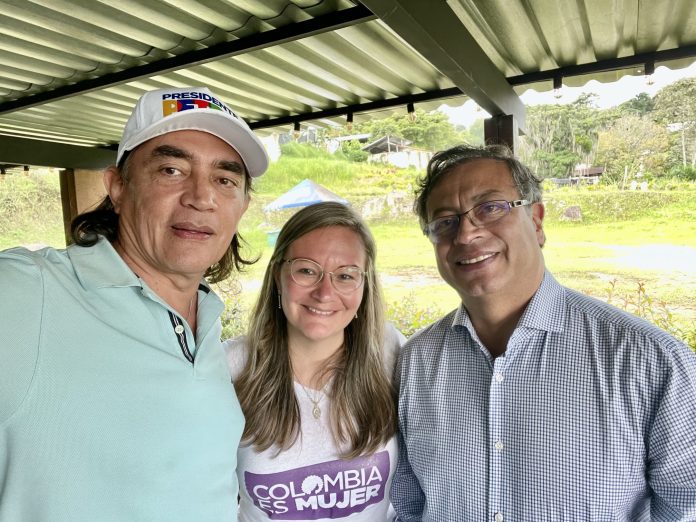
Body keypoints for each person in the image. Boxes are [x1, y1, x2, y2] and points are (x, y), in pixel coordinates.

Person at [0, 86, 268, 520]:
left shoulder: (208, 320)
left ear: (242, 206)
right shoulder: (32, 292)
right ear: (118, 188)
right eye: (171, 170)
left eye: (225, 179)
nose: (202, 197)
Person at [390, 144, 696, 521]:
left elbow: (687, 507)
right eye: (446, 222)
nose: (467, 234)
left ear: (536, 221)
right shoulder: (414, 363)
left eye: (490, 208)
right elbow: (408, 505)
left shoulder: (650, 360)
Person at [225, 201, 405, 521]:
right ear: (278, 276)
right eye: (306, 270)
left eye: (346, 276)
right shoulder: (230, 367)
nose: (325, 293)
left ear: (365, 286)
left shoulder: (390, 353)